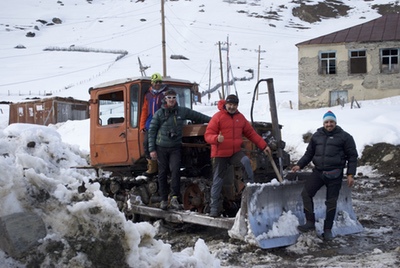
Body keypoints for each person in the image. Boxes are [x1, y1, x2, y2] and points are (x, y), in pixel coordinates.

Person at [291, 110, 358, 241]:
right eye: (326, 122)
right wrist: (299, 165)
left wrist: (350, 174)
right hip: (319, 172)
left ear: (335, 123)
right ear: (323, 123)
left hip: (335, 174)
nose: (329, 124)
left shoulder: (345, 137)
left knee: (331, 202)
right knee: (306, 193)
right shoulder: (316, 136)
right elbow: (309, 154)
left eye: (331, 122)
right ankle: (310, 222)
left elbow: (352, 156)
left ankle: (327, 230)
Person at [204, 94, 271, 217]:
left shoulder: (240, 118)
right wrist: (216, 138)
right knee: (218, 179)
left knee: (246, 161)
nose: (232, 107)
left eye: (234, 105)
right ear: (226, 104)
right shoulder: (217, 117)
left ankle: (250, 189)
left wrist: (264, 146)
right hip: (220, 153)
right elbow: (207, 135)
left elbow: (251, 133)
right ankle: (214, 208)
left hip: (235, 152)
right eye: (230, 104)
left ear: (237, 106)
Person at [148, 89, 211, 210]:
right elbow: (152, 131)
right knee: (162, 172)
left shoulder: (181, 111)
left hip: (175, 147)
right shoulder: (159, 114)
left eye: (173, 97)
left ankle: (174, 198)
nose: (171, 100)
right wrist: (152, 149)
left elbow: (197, 116)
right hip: (161, 147)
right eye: (169, 98)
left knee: (175, 170)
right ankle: (163, 199)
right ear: (165, 99)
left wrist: (214, 120)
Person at [140, 73, 168, 176]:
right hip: (150, 123)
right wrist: (142, 125)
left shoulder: (165, 94)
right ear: (152, 83)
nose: (158, 84)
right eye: (156, 82)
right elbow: (144, 110)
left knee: (161, 145)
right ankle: (152, 166)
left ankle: (163, 167)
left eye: (160, 82)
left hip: (162, 123)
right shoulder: (148, 95)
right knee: (147, 143)